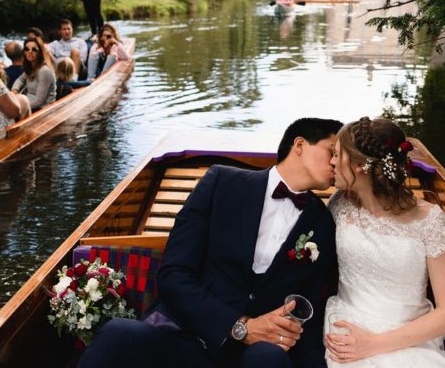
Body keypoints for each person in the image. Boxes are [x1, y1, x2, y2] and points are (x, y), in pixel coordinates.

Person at [78, 118, 344, 368]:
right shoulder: (222, 182)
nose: (336, 163)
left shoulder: (322, 224)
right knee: (118, 333)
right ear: (299, 145)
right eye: (332, 151)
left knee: (269, 359)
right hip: (185, 334)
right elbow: (173, 274)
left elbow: (311, 315)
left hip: (252, 356)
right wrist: (240, 326)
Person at [323, 117, 445, 367]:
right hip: (346, 325)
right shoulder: (339, 205)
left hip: (411, 337)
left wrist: (374, 344)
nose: (331, 162)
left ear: (358, 165)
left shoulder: (430, 220)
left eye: (336, 155)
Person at [12, 38, 56, 110]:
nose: (30, 52)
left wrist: (18, 106)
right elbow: (20, 79)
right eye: (27, 49)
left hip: (42, 110)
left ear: (40, 53)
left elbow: (39, 101)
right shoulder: (31, 67)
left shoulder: (44, 71)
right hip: (29, 105)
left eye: (34, 49)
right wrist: (14, 91)